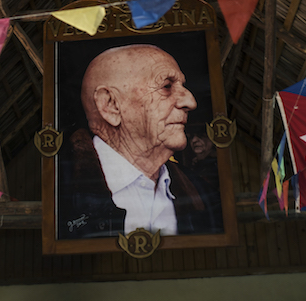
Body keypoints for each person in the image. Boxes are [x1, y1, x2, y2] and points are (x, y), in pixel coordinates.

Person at [59, 44, 223, 239]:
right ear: (111, 105)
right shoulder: (58, 193)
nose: (190, 102)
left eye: (182, 86)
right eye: (167, 86)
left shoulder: (203, 194)